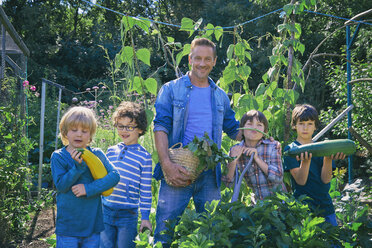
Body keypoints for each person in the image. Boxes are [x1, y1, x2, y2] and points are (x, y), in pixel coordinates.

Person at [152, 37, 242, 247]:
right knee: (165, 230)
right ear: (190, 59)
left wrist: (260, 135)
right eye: (198, 58)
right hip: (178, 168)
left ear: (214, 61)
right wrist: (167, 165)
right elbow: (160, 127)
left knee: (212, 230)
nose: (202, 63)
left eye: (207, 59)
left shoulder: (220, 96)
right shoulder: (171, 89)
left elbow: (234, 130)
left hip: (210, 173)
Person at [51, 106, 120, 248]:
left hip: (92, 226)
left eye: (84, 131)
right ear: (65, 132)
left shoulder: (97, 154)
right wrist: (77, 168)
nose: (79, 135)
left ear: (90, 134)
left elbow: (115, 176)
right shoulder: (58, 157)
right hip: (68, 228)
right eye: (74, 130)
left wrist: (88, 189)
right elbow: (61, 186)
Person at [100, 101, 153, 248]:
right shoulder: (110, 151)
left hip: (127, 214)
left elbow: (146, 190)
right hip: (106, 210)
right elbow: (102, 180)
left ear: (140, 129)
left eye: (129, 126)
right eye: (120, 126)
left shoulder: (144, 157)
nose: (124, 130)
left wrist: (145, 217)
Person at [283, 104, 345, 226]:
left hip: (325, 206)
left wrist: (327, 159)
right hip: (303, 208)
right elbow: (300, 182)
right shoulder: (290, 150)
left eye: (310, 124)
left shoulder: (324, 149)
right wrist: (305, 162)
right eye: (301, 123)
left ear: (315, 126)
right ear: (294, 126)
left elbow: (326, 179)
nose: (305, 128)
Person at [224, 110, 286, 202]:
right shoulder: (236, 150)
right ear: (241, 130)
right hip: (257, 205)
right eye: (249, 124)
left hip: (279, 203)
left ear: (265, 131)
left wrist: (257, 158)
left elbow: (278, 177)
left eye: (259, 125)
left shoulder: (272, 146)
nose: (254, 127)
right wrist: (232, 161)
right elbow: (227, 183)